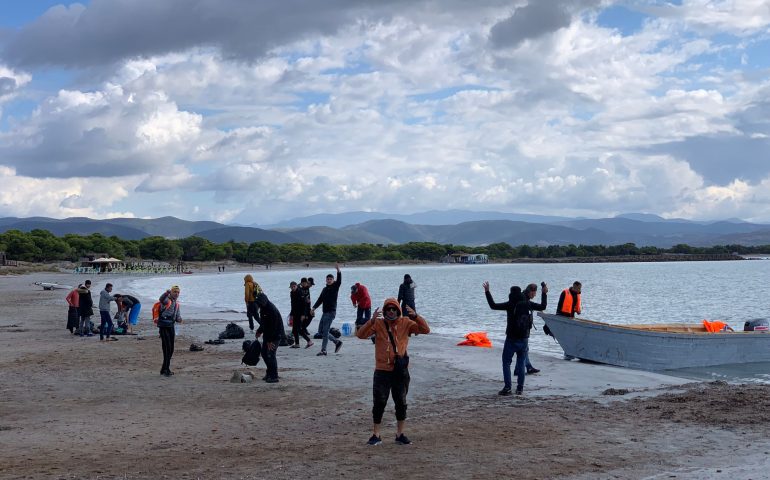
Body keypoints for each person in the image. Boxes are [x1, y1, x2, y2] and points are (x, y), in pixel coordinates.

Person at [355, 298, 430, 446]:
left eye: (394, 309)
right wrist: (371, 321)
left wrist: (415, 316)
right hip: (382, 370)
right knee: (379, 403)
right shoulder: (378, 323)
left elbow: (425, 330)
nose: (391, 311)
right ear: (384, 310)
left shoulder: (406, 323)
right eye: (388, 309)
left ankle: (400, 434)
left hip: (400, 371)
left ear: (398, 310)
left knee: (401, 403)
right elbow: (360, 335)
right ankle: (376, 435)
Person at [483, 281, 547, 396]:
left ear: (511, 294)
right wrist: (544, 293)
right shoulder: (528, 303)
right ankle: (520, 389)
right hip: (524, 338)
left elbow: (493, 305)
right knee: (521, 363)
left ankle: (507, 388)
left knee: (506, 362)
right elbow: (543, 306)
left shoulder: (510, 304)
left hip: (511, 338)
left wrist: (487, 292)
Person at [311, 264, 343, 356]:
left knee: (325, 331)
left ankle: (324, 350)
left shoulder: (335, 287)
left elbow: (339, 281)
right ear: (326, 280)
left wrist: (338, 270)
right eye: (327, 279)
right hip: (324, 312)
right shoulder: (324, 289)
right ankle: (337, 342)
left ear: (333, 280)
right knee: (321, 331)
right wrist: (313, 308)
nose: (329, 280)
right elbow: (320, 300)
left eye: (330, 279)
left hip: (331, 312)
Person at [254, 293, 283, 382]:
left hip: (276, 335)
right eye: (258, 303)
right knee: (264, 353)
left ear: (265, 301)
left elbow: (273, 327)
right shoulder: (263, 309)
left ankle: (274, 376)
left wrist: (270, 341)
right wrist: (259, 331)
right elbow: (264, 323)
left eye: (260, 303)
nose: (259, 305)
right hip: (267, 334)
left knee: (271, 354)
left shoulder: (271, 310)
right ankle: (269, 372)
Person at [157, 286, 183, 377]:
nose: (177, 294)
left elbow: (177, 317)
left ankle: (164, 368)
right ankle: (166, 369)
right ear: (171, 292)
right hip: (163, 326)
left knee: (171, 349)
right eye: (175, 292)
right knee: (167, 348)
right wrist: (166, 293)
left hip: (171, 326)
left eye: (178, 292)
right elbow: (161, 299)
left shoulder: (177, 304)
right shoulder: (167, 300)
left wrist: (179, 319)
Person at [290, 281, 313, 349]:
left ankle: (309, 341)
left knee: (299, 329)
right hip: (295, 313)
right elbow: (292, 304)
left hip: (301, 314)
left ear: (297, 286)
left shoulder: (300, 292)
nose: (293, 288)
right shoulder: (291, 293)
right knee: (294, 330)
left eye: (294, 286)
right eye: (292, 287)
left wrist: (304, 314)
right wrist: (291, 313)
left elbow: (305, 304)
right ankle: (297, 344)